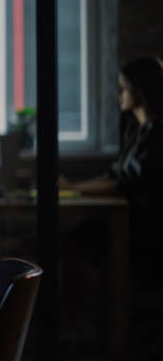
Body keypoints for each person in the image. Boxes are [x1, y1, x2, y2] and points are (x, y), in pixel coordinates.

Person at [57, 55, 163, 356]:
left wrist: (73, 190)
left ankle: (85, 329)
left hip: (146, 231)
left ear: (140, 91)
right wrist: (72, 189)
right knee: (75, 240)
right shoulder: (138, 129)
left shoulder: (158, 136)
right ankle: (83, 327)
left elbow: (123, 184)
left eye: (123, 88)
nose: (119, 95)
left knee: (76, 243)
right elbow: (115, 175)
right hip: (133, 222)